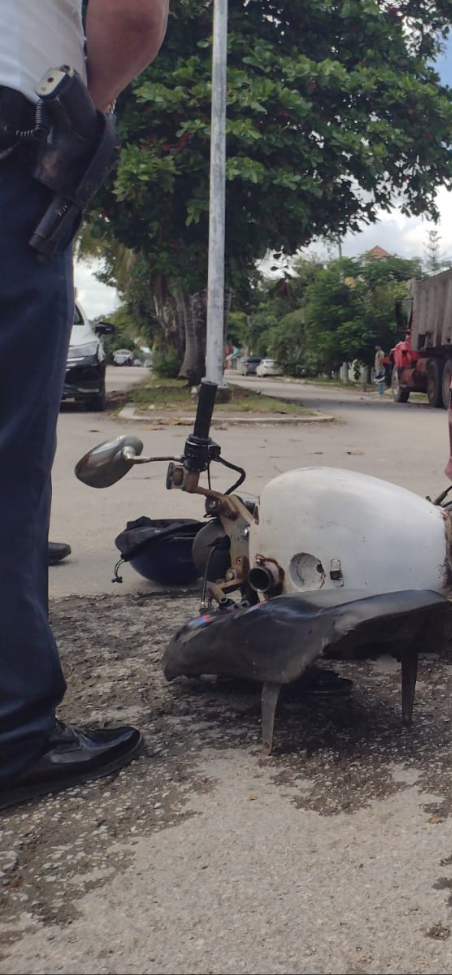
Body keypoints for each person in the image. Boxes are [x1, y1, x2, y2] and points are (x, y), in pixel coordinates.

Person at [0, 0, 170, 811]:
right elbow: (132, 14)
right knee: (7, 463)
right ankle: (10, 733)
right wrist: (89, 108)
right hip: (13, 146)